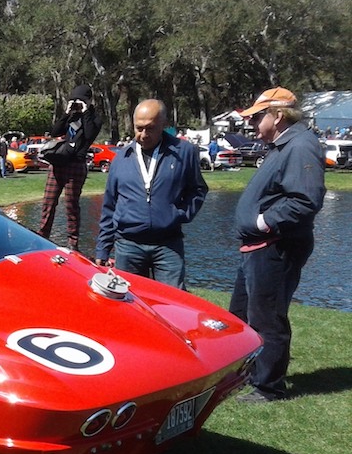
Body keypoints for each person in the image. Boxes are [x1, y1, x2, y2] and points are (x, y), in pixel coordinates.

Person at [229, 87, 325, 403]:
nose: (253, 123)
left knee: (268, 317)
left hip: (276, 246)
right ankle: (247, 376)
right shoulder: (282, 145)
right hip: (259, 248)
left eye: (258, 116)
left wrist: (263, 222)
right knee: (244, 313)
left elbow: (304, 200)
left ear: (278, 116)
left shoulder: (300, 147)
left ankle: (268, 387)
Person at [94, 99, 207, 290]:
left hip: (168, 245)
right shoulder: (122, 158)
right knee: (130, 304)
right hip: (128, 245)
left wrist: (179, 214)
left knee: (172, 303)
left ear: (163, 124)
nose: (143, 134)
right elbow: (110, 205)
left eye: (150, 128)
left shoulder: (183, 152)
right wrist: (103, 248)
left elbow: (197, 190)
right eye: (139, 128)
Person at [37, 84, 102, 251]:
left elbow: (89, 135)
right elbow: (55, 131)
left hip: (76, 165)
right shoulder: (70, 115)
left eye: (80, 100)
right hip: (58, 163)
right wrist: (66, 113)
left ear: (88, 100)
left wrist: (86, 111)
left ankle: (73, 242)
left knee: (71, 204)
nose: (76, 104)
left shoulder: (95, 117)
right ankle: (42, 236)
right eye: (74, 100)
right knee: (48, 202)